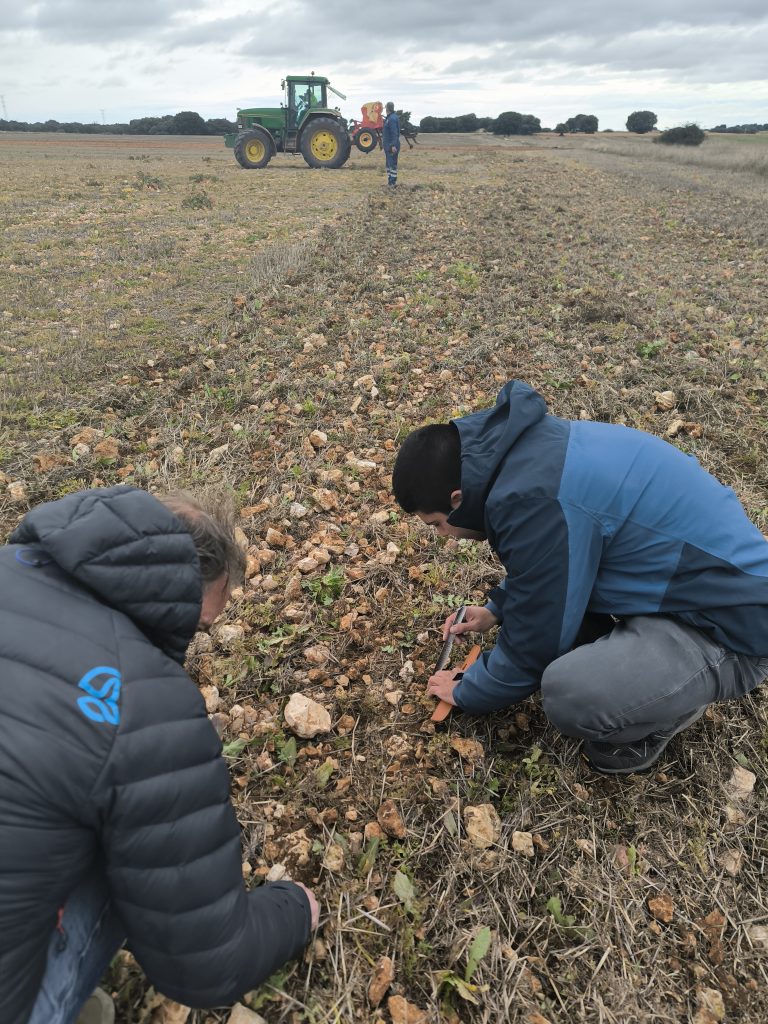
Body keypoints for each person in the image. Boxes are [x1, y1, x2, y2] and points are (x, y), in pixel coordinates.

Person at [0, 486, 319, 1024]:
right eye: (197, 626)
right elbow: (207, 964)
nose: (191, 643)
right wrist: (293, 909)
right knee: (132, 840)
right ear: (170, 587)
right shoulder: (144, 699)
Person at [392, 380, 768, 775]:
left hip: (734, 626)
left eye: (436, 525)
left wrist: (469, 689)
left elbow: (534, 645)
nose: (444, 538)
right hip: (693, 589)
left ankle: (670, 708)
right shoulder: (527, 457)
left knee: (571, 694)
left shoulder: (531, 499)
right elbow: (564, 559)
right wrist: (497, 609)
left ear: (456, 499)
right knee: (568, 630)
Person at [382, 101, 400, 188]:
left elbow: (394, 133)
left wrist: (393, 145)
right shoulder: (390, 118)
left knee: (392, 164)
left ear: (387, 108)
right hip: (388, 145)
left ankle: (392, 183)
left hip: (391, 145)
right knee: (388, 165)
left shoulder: (391, 119)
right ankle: (390, 181)